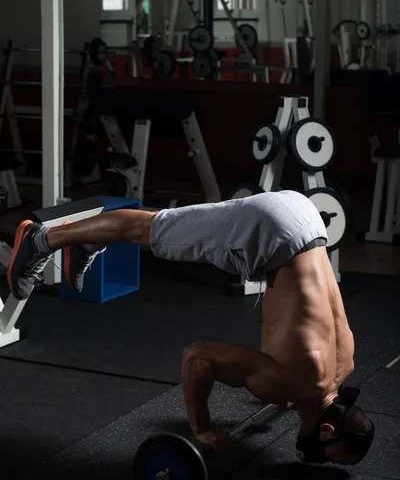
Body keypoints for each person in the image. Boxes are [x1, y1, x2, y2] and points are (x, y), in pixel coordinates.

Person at [7, 190, 374, 465]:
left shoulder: (343, 365)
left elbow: (303, 362)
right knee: (151, 229)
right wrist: (202, 428)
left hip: (305, 220)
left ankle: (87, 240)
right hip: (270, 232)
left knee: (155, 230)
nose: (317, 457)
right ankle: (40, 240)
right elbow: (197, 357)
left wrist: (289, 397)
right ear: (326, 430)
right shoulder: (290, 384)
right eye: (326, 455)